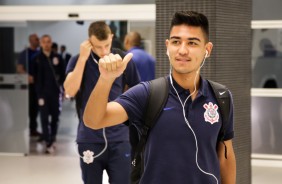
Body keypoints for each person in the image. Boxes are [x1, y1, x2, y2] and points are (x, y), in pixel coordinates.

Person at [83, 11, 236, 184]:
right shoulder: (147, 94)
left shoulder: (221, 97)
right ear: (167, 46)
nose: (182, 50)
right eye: (176, 42)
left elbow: (225, 155)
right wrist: (105, 79)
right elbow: (93, 120)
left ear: (207, 50)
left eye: (192, 43)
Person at [63, 21, 140, 184]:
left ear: (112, 37)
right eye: (98, 46)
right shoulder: (78, 60)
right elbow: (69, 91)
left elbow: (136, 93)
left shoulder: (123, 59)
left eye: (107, 45)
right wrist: (83, 58)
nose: (104, 51)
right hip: (89, 137)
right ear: (89, 43)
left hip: (120, 137)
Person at [35, 34, 65, 154]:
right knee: (43, 118)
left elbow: (63, 74)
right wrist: (38, 95)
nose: (46, 44)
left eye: (48, 41)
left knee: (55, 118)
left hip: (55, 93)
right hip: (42, 94)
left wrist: (63, 89)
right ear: (41, 44)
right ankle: (48, 141)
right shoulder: (37, 59)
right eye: (44, 42)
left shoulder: (57, 57)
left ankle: (52, 137)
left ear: (51, 43)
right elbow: (35, 79)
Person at [17, 33, 41, 137]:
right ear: (30, 40)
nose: (38, 40)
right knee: (27, 108)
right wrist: (27, 77)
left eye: (38, 39)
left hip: (38, 85)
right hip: (28, 86)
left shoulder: (41, 53)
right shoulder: (25, 53)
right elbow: (19, 68)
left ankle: (33, 129)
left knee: (35, 109)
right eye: (36, 39)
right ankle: (21, 129)